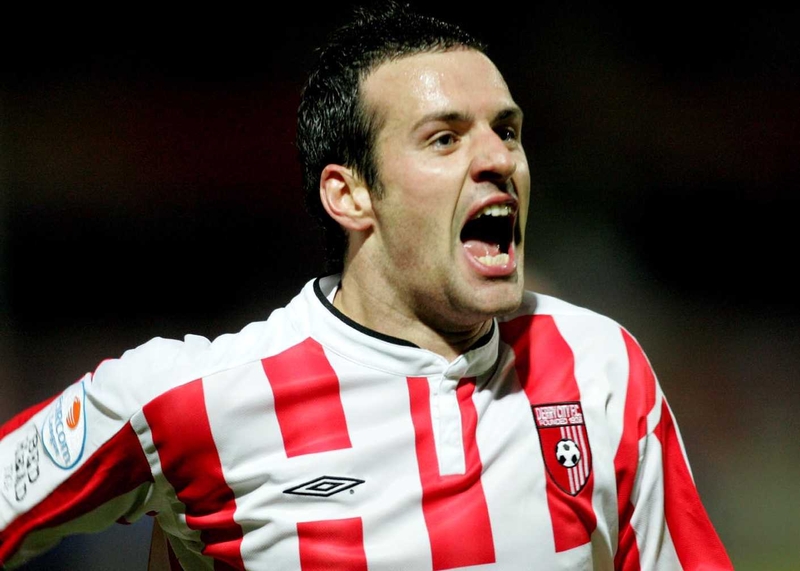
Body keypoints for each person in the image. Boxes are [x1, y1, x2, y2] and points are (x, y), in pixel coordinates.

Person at [1, 2, 733, 569]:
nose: (498, 158)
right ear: (350, 196)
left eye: (505, 131)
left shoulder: (602, 364)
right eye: (445, 138)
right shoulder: (190, 399)